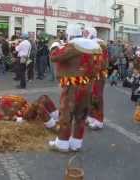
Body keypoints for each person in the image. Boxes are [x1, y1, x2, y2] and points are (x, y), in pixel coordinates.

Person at [48, 24, 101, 152]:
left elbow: (54, 56)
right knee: (81, 115)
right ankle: (76, 142)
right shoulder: (94, 47)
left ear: (69, 34)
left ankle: (62, 142)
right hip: (87, 85)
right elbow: (98, 67)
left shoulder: (73, 46)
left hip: (72, 86)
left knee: (66, 113)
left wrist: (55, 44)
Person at [84, 27, 109, 130]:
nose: (84, 35)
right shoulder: (89, 43)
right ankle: (91, 117)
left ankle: (99, 120)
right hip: (91, 74)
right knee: (90, 96)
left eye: (86, 33)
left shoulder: (100, 44)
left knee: (97, 96)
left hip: (98, 74)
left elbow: (102, 62)